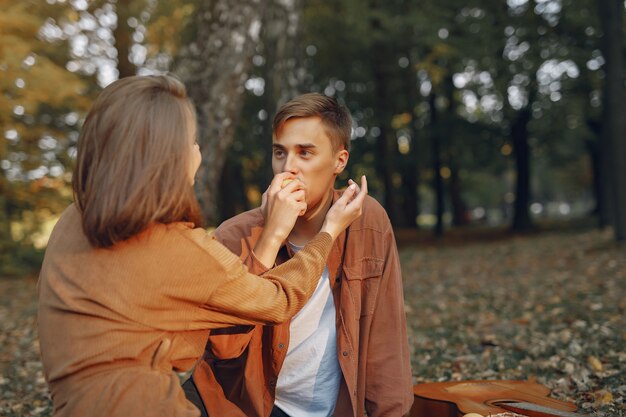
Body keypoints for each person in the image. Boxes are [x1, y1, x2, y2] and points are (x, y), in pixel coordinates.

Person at [37, 76, 366, 417]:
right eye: (191, 141)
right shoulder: (174, 248)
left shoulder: (72, 221)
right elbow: (277, 302)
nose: (197, 152)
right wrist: (327, 232)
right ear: (168, 157)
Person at [184, 93, 413, 417]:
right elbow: (223, 347)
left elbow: (386, 337)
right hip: (251, 408)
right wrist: (271, 235)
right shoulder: (235, 233)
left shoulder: (367, 221)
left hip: (337, 408)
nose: (288, 167)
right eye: (280, 152)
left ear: (339, 160)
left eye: (305, 153)